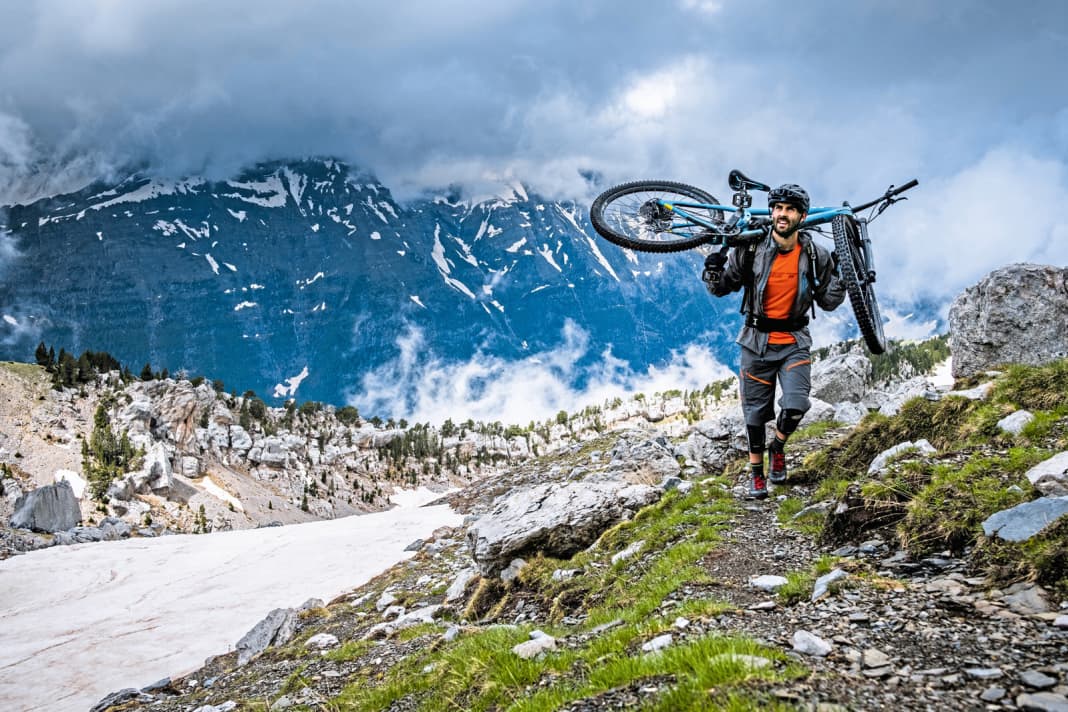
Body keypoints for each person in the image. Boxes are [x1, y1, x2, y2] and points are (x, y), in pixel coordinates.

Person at [702, 183, 845, 499]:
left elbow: (829, 301)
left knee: (797, 404)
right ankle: (756, 476)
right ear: (772, 212)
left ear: (802, 216)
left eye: (790, 209)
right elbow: (721, 288)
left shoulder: (814, 254)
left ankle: (777, 447)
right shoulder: (750, 249)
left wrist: (842, 278)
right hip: (755, 342)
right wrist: (712, 271)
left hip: (794, 340)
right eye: (778, 208)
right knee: (754, 413)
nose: (783, 214)